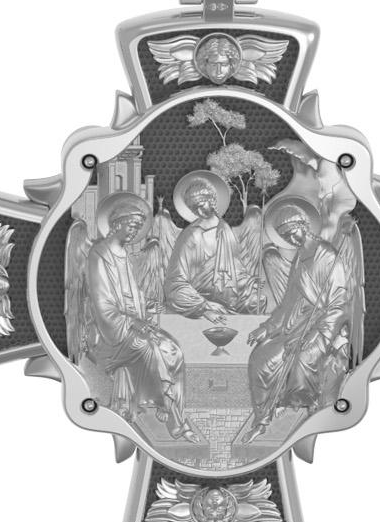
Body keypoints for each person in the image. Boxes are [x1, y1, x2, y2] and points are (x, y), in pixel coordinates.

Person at [85, 194, 199, 442]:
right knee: (151, 350)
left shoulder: (123, 253)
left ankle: (168, 406)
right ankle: (175, 421)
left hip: (131, 324)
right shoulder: (99, 253)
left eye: (138, 228)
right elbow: (101, 302)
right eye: (131, 226)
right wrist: (131, 321)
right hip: (109, 332)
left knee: (174, 350)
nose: (135, 232)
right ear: (116, 223)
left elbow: (131, 294)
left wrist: (147, 305)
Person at [242, 203, 350, 442]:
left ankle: (301, 413)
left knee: (304, 358)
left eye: (294, 232)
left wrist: (319, 333)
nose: (292, 239)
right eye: (286, 237)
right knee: (261, 359)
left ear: (304, 225)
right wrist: (266, 328)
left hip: (324, 325)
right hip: (295, 325)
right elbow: (288, 303)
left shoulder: (327, 255)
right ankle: (262, 421)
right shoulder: (299, 259)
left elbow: (340, 304)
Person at [164, 172, 261, 319]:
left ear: (211, 199)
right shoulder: (190, 236)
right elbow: (175, 282)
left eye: (201, 205)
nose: (199, 211)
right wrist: (203, 307)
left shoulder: (225, 230)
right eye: (194, 209)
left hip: (227, 294)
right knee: (185, 299)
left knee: (258, 300)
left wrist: (249, 283)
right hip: (197, 296)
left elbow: (235, 270)